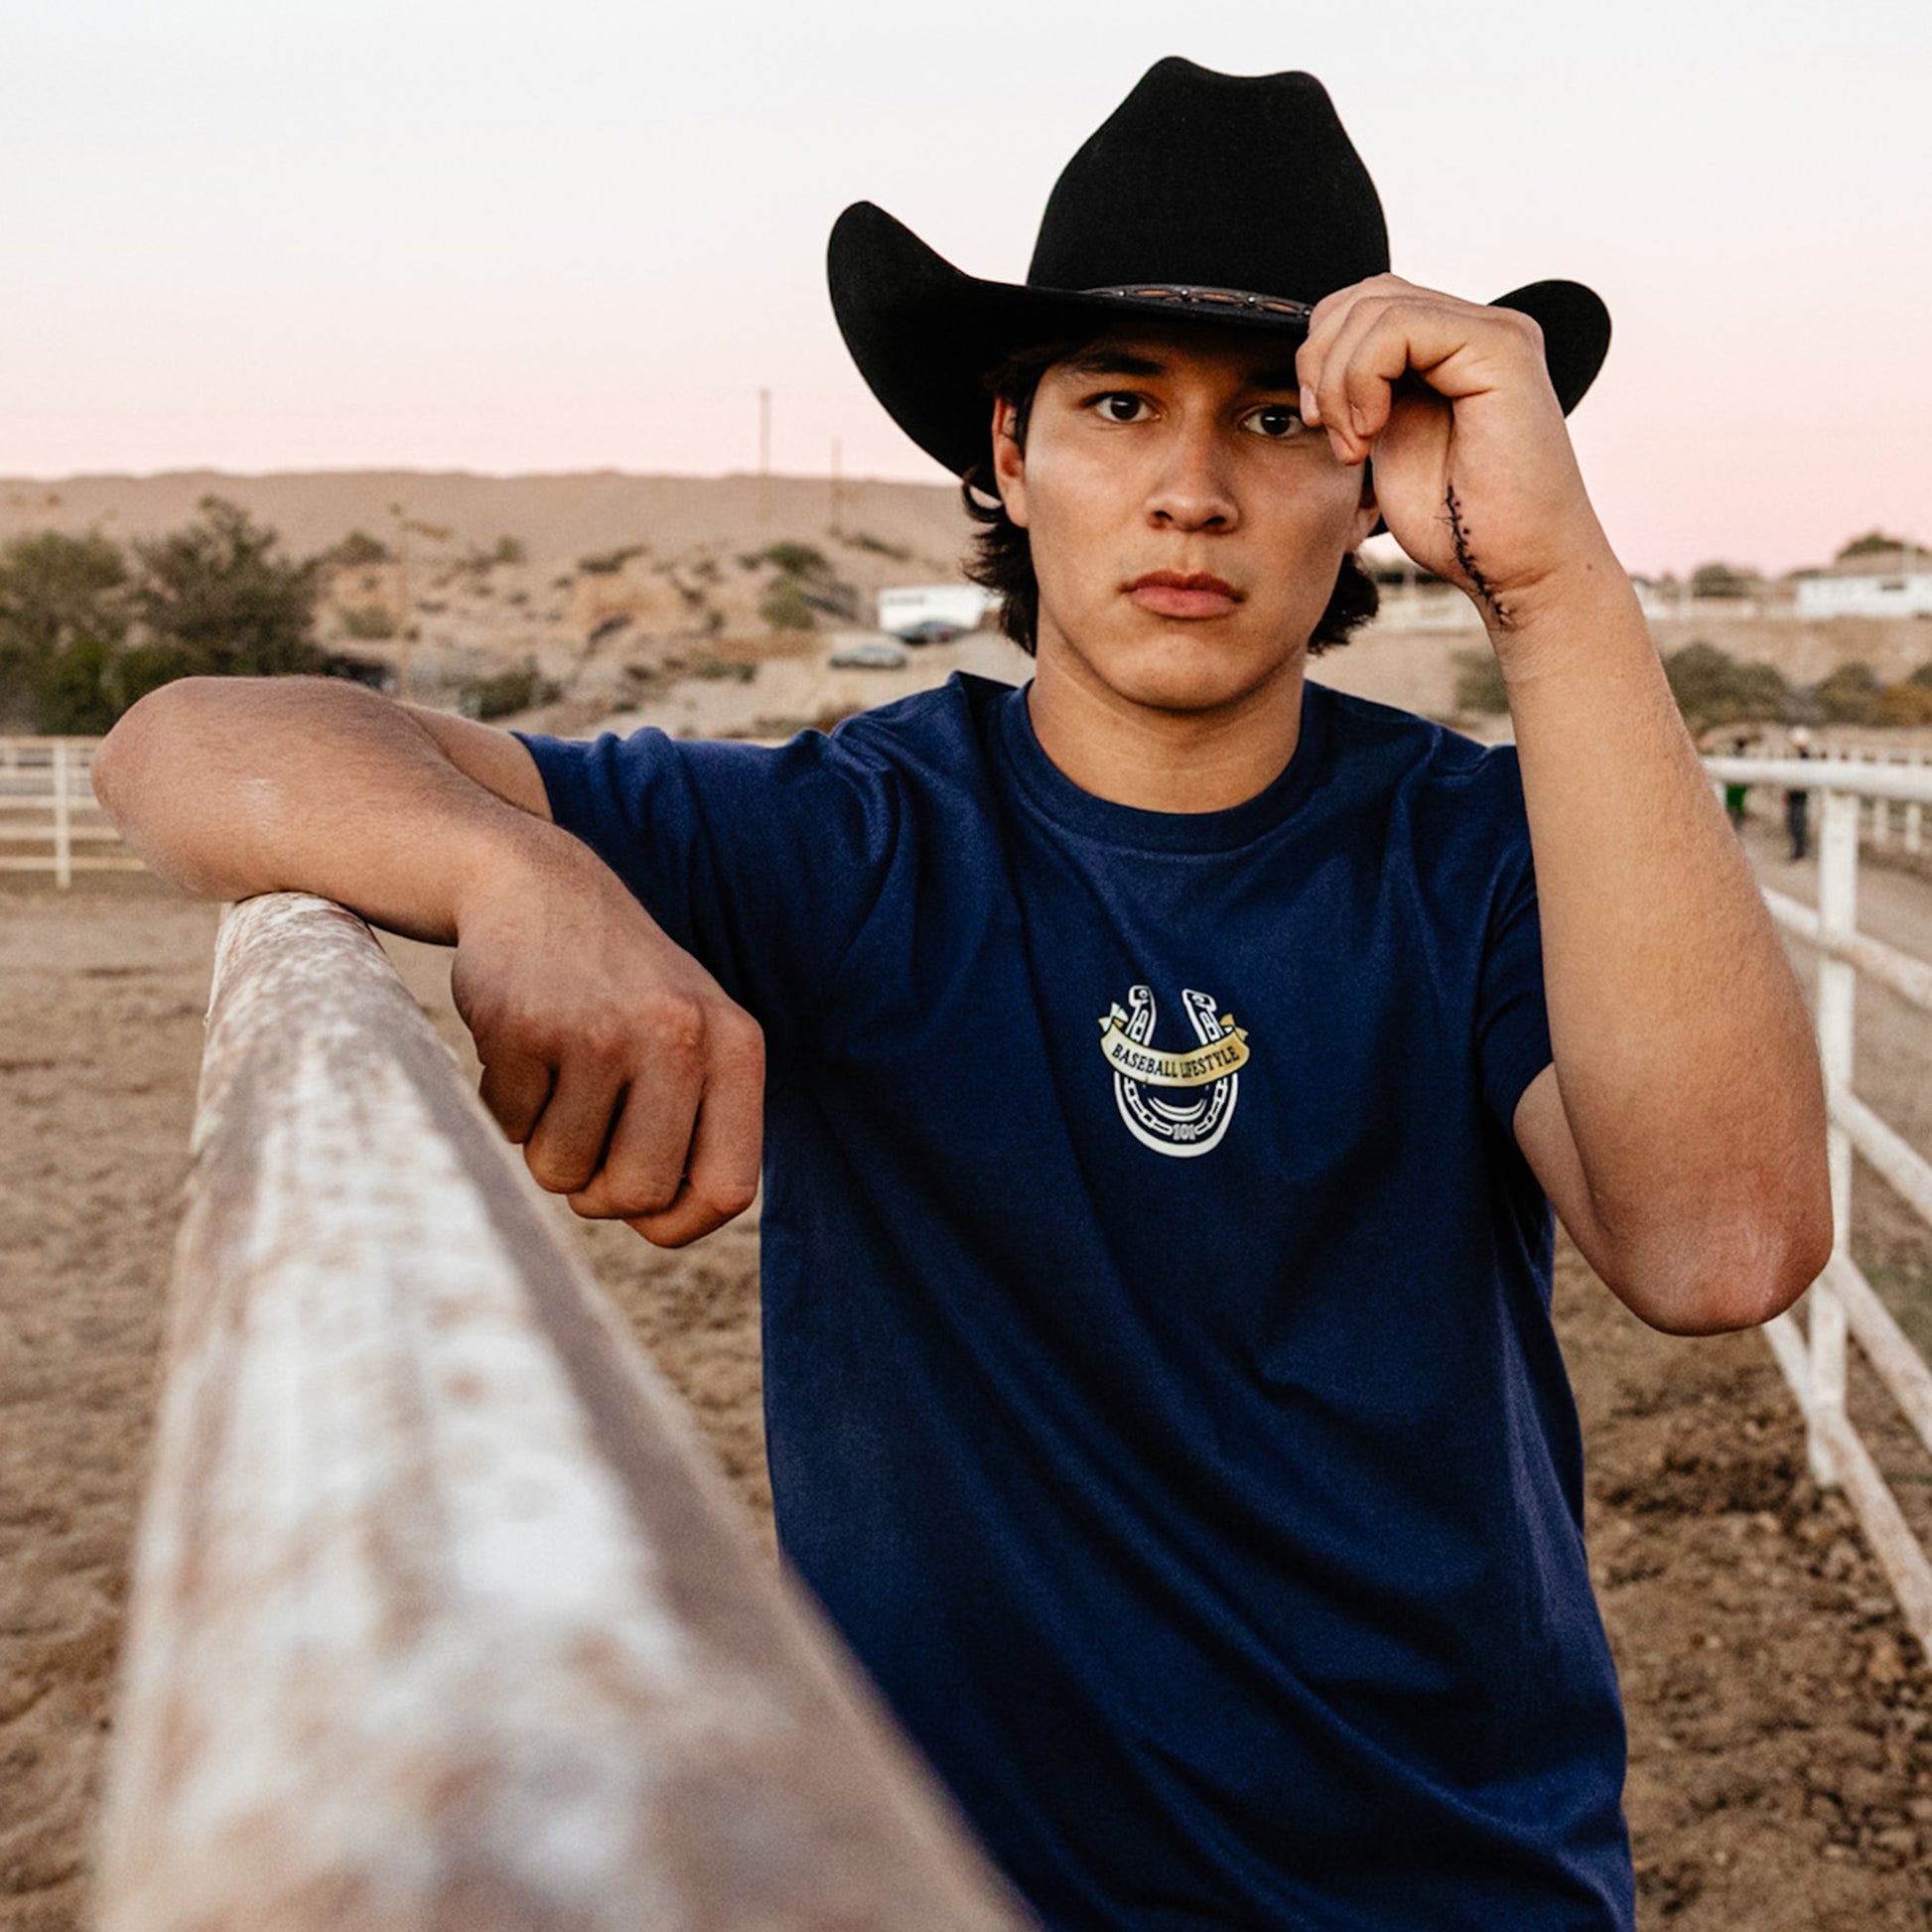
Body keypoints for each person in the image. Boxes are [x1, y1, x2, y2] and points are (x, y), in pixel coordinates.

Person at [95, 59, 1830, 1932]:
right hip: (940, 1885)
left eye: (1273, 417)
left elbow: (1722, 1244)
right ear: (1007, 451)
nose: (1189, 489)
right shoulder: (843, 837)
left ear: (1375, 484)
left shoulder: (1483, 853)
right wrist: (517, 871)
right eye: (1115, 403)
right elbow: (188, 744)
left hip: (1450, 1884)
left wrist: (1553, 584)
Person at [1787, 727, 1817, 860]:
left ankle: (1800, 850)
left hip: (1799, 795)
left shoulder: (1805, 757)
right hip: (1795, 794)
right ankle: (1798, 849)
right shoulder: (1799, 756)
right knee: (1794, 822)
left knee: (1798, 822)